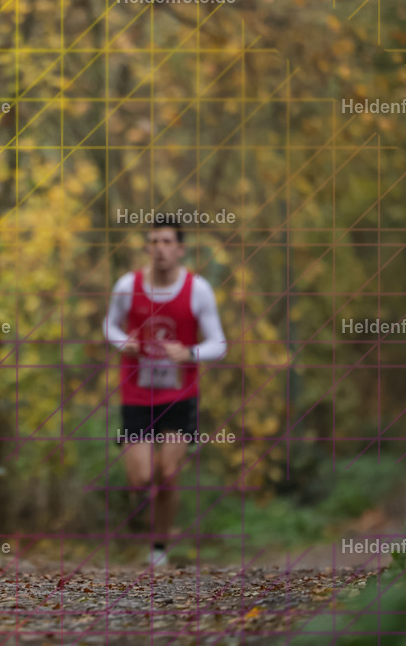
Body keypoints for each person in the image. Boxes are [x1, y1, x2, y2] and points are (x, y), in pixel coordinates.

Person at [103, 218, 226, 567]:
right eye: (154, 241)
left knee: (168, 474)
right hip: (136, 394)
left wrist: (190, 353)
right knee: (140, 478)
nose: (160, 247)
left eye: (167, 241)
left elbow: (220, 342)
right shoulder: (128, 285)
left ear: (180, 249)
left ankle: (158, 548)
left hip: (179, 395)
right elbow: (108, 325)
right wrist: (120, 342)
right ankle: (144, 516)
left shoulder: (197, 289)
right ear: (147, 248)